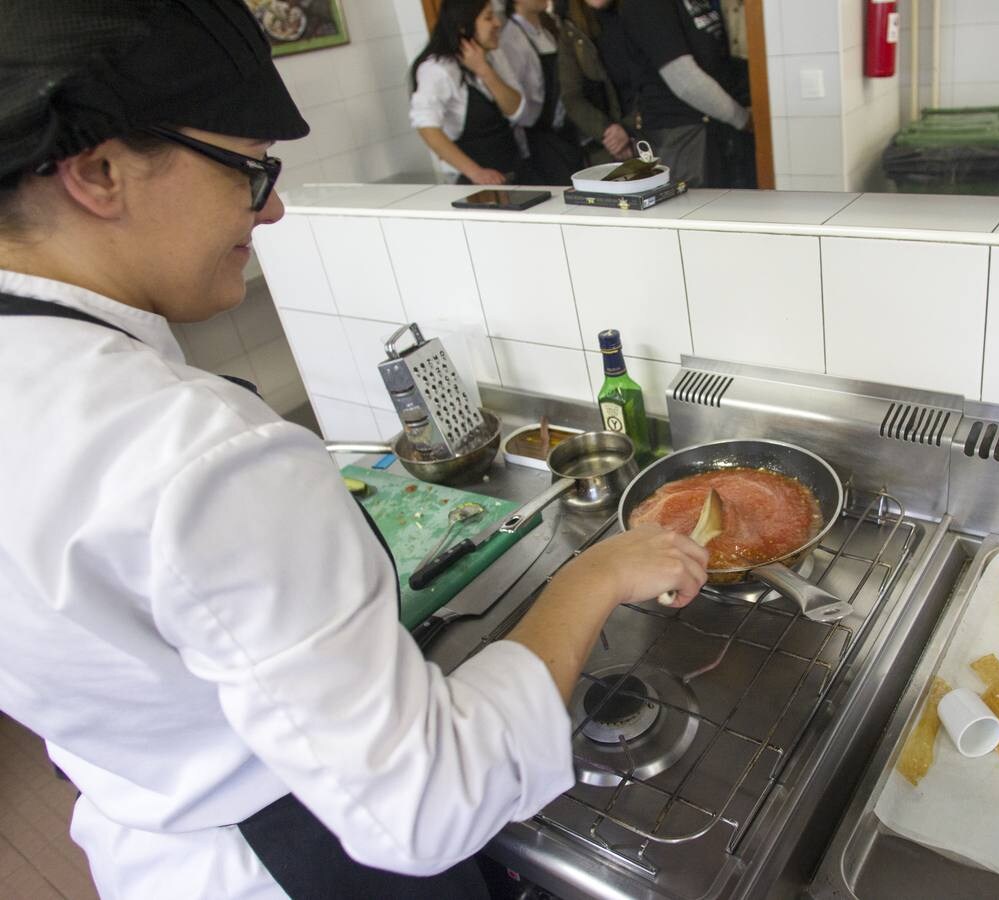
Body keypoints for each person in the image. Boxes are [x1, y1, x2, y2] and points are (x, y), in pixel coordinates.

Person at [0, 1, 709, 898]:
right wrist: (596, 573)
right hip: (299, 860)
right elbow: (430, 803)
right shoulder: (196, 455)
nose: (277, 207)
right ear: (100, 172)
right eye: (251, 172)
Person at [618, 0, 756, 188]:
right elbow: (683, 78)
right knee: (699, 211)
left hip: (715, 128)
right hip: (682, 136)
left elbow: (717, 61)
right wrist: (744, 119)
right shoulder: (648, 5)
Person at [410, 0, 534, 185]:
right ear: (463, 26)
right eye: (488, 18)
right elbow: (427, 127)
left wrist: (484, 70)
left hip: (515, 169)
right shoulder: (437, 68)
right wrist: (476, 173)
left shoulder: (494, 55)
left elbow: (518, 110)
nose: (497, 24)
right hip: (473, 184)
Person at [496, 0, 586, 184]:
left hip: (565, 133)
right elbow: (516, 107)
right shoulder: (511, 40)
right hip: (540, 143)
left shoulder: (545, 32)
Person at [557, 0, 637, 164]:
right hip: (608, 148)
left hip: (655, 132)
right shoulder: (572, 29)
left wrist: (628, 129)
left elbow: (659, 80)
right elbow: (571, 96)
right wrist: (609, 134)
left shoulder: (640, 12)